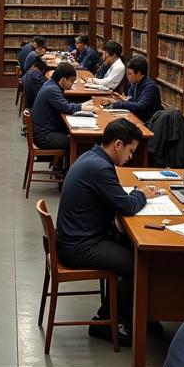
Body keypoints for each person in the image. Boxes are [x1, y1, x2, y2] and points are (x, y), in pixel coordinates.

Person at [56, 118, 148, 346]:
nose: (131, 157)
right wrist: (142, 193)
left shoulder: (93, 157)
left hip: (79, 236)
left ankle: (139, 313)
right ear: (118, 144)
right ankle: (107, 321)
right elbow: (126, 205)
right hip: (79, 246)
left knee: (133, 250)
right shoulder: (100, 167)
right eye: (130, 151)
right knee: (136, 265)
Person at [30, 62, 91, 157]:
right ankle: (71, 169)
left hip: (45, 131)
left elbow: (64, 104)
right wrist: (83, 106)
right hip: (45, 136)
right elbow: (66, 107)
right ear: (63, 79)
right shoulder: (52, 89)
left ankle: (63, 166)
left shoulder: (51, 84)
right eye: (71, 81)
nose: (72, 85)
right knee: (78, 142)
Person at [103, 54, 161, 123]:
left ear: (139, 74)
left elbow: (140, 106)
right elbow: (131, 100)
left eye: (130, 74)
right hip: (135, 118)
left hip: (147, 123)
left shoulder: (150, 87)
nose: (127, 76)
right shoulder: (135, 83)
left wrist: (121, 104)